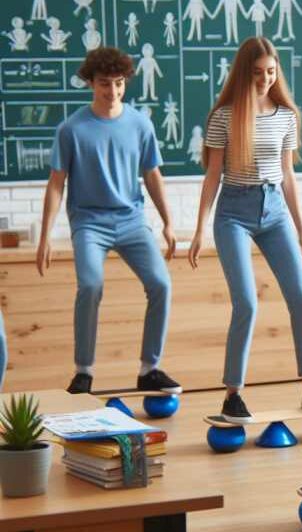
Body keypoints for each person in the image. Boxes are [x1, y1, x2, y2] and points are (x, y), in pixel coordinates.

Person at [189, 37, 302, 423]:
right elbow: (212, 175)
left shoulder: (286, 116)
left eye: (271, 72)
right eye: (257, 73)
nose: (265, 80)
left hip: (274, 212)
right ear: (243, 73)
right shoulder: (224, 115)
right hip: (233, 212)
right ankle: (232, 394)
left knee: (301, 299)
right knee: (247, 302)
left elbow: (289, 176)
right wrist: (199, 229)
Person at [36, 47, 182, 396]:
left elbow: (152, 175)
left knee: (161, 284)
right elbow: (56, 184)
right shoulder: (71, 129)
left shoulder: (140, 123)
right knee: (90, 285)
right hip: (89, 223)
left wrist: (167, 222)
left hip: (130, 219)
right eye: (105, 84)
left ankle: (150, 369)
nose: (113, 91)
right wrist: (45, 238)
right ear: (90, 83)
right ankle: (83, 371)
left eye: (119, 84)